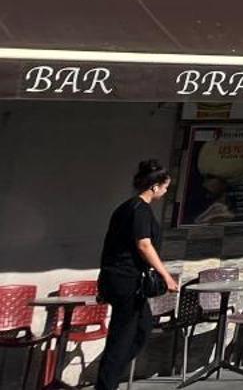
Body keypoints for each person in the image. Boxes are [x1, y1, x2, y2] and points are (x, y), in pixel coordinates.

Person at [95, 159, 180, 390]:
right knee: (123, 337)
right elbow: (144, 245)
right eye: (164, 188)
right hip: (126, 281)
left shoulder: (127, 208)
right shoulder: (139, 210)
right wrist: (166, 276)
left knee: (141, 330)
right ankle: (106, 384)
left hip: (122, 280)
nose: (164, 192)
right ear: (154, 186)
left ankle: (109, 378)